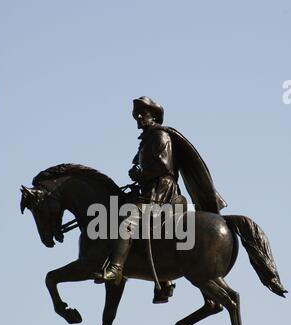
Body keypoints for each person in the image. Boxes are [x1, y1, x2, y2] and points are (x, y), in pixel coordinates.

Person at [94, 96, 227, 303]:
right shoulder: (147, 138)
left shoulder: (159, 135)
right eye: (136, 114)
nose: (138, 117)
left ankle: (115, 268)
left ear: (154, 116)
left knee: (127, 220)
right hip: (150, 190)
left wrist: (139, 174)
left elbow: (163, 165)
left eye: (143, 114)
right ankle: (165, 282)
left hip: (160, 193)